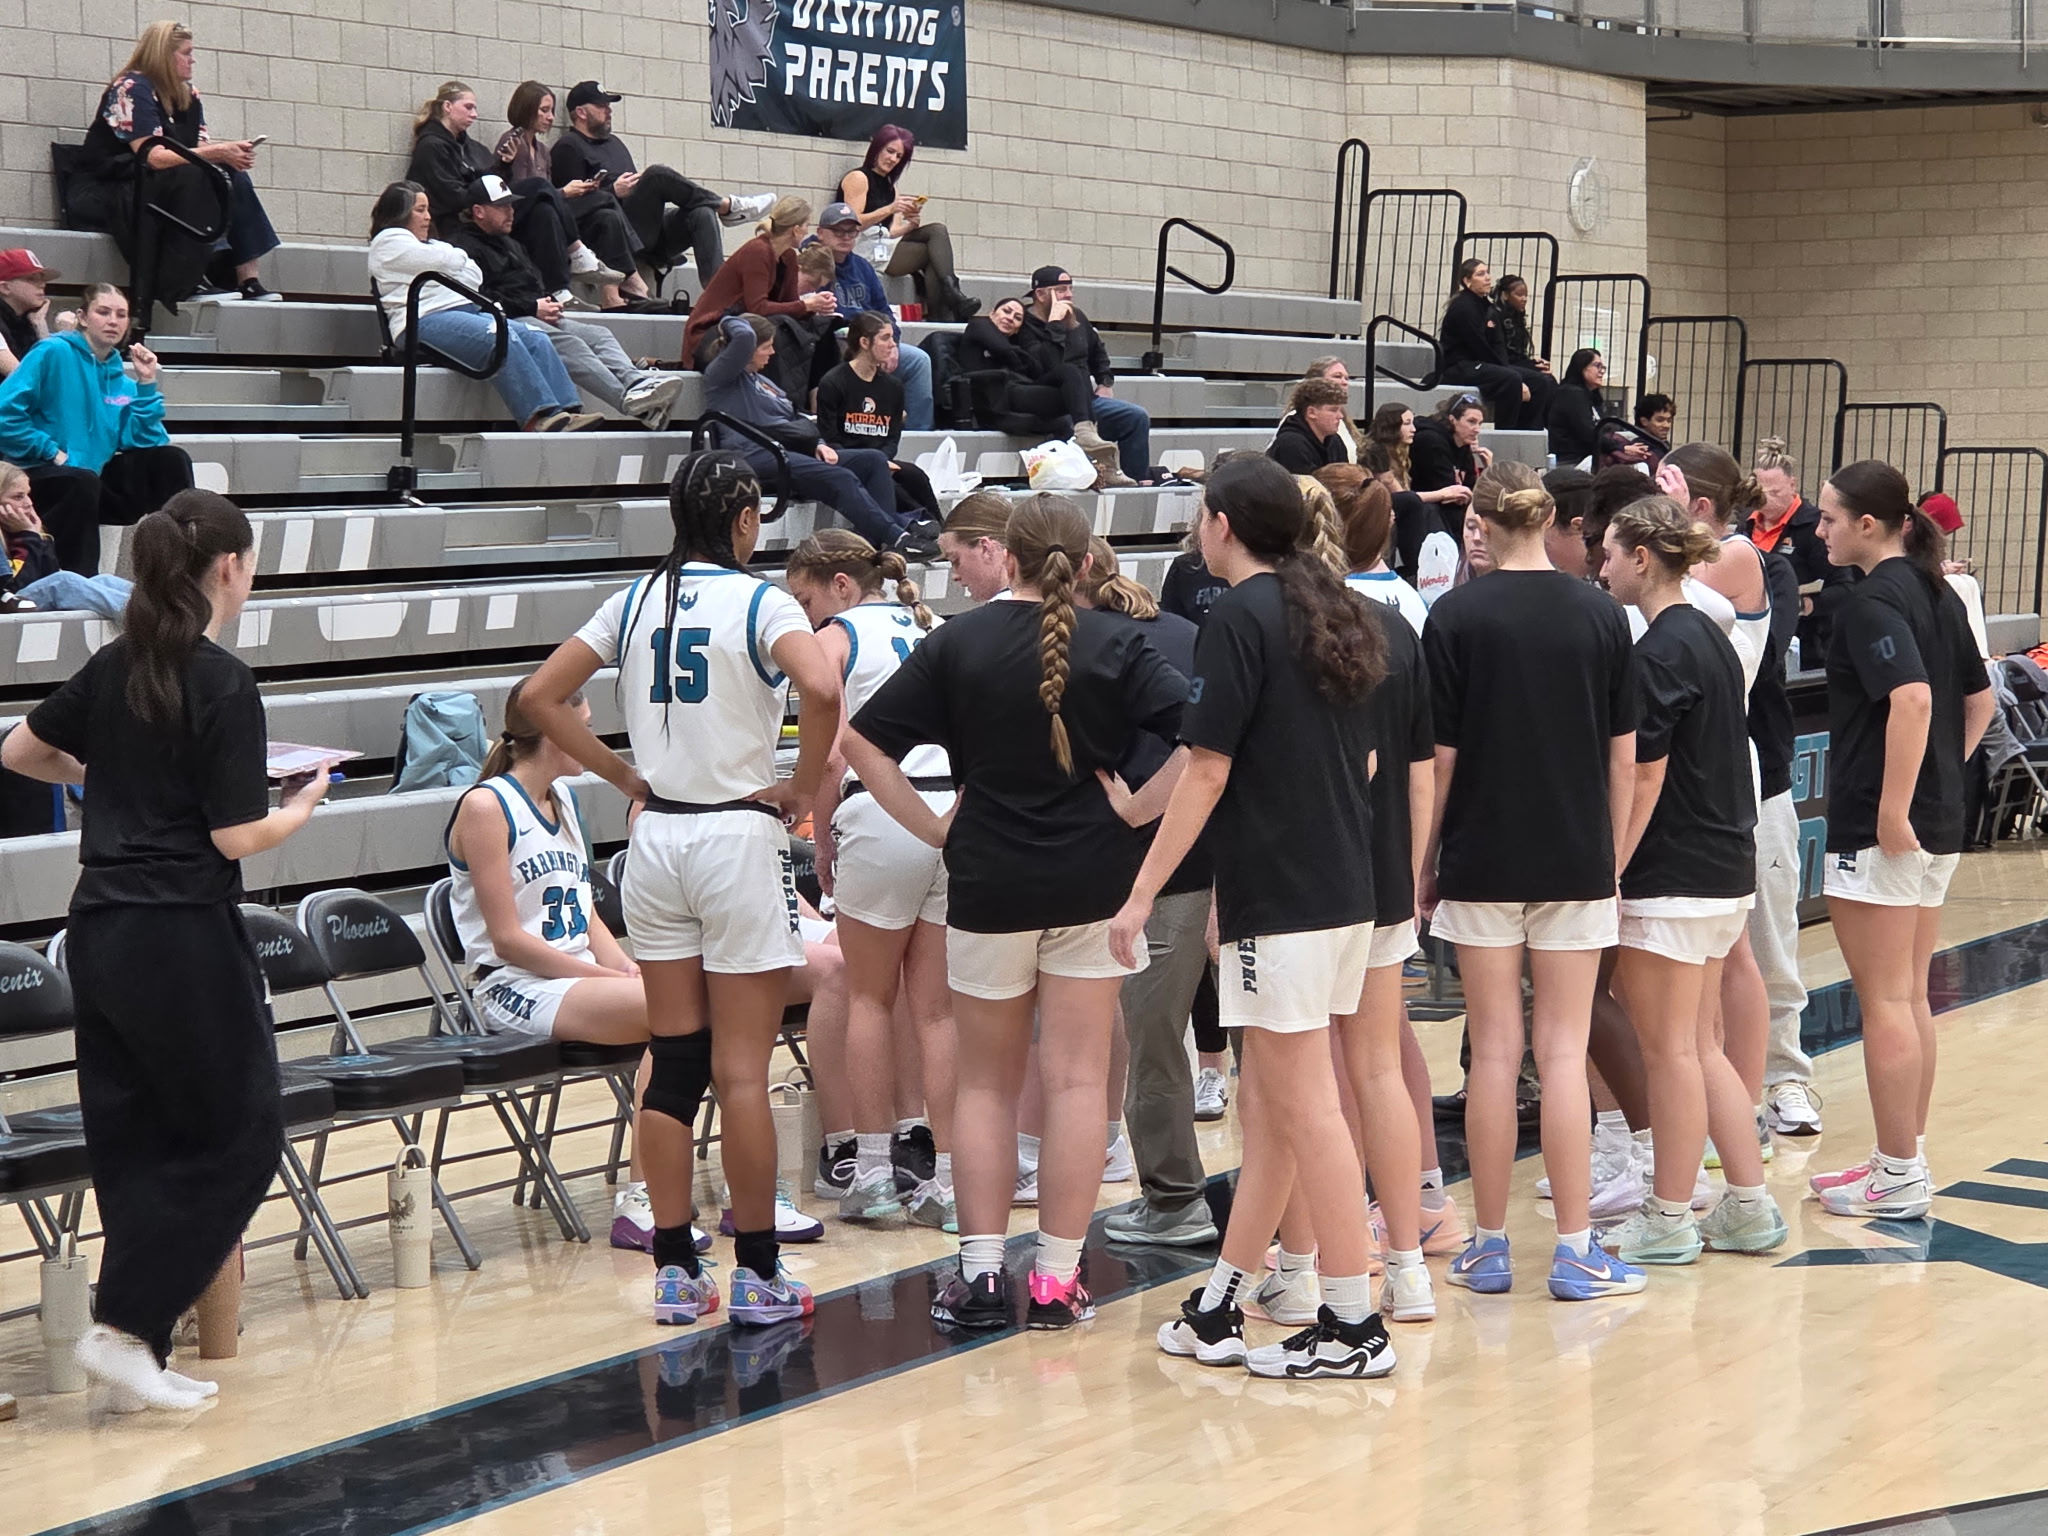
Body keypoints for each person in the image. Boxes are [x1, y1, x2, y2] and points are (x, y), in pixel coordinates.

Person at [1, 489, 330, 1409]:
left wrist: (94, 772)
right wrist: (298, 807)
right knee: (243, 1132)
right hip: (183, 932)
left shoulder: (115, 667)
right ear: (229, 567)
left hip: (99, 932)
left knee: (136, 1138)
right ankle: (125, 1328)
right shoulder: (224, 679)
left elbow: (19, 749)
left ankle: (129, 1344)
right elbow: (235, 837)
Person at [842, 495, 1188, 1332]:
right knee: (1074, 1080)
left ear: (1011, 556)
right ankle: (1059, 1280)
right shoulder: (1121, 639)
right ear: (1087, 559)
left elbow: (860, 742)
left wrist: (929, 824)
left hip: (989, 881)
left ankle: (984, 1275)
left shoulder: (957, 640)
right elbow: (1211, 736)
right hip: (1091, 882)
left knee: (986, 1086)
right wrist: (1140, 810)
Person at [521, 450, 841, 1327]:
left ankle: (671, 1268)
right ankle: (759, 1275)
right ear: (745, 521)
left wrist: (624, 779)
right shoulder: (763, 600)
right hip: (737, 832)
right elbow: (820, 684)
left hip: (655, 839)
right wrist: (805, 787)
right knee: (743, 1072)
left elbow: (537, 696)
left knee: (673, 1068)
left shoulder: (633, 600)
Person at [1113, 457, 1413, 1379]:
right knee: (1280, 1107)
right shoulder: (1333, 606)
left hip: (1280, 895)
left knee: (1306, 1105)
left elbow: (1205, 772)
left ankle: (1353, 1322)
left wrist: (1139, 895)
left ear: (1222, 525)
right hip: (1347, 889)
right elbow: (1364, 768)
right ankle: (1221, 1300)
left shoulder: (1238, 617)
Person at [1420, 481, 1647, 1301]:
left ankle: (1487, 1245)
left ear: (1478, 523)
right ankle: (1579, 1249)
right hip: (1576, 859)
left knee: (1493, 1055)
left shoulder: (1453, 617)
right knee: (1560, 1053)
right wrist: (1612, 860)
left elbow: (1438, 763)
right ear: (1551, 521)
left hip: (1481, 859)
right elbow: (1625, 757)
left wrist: (1422, 862)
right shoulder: (1601, 615)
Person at [1596, 496, 1790, 1265]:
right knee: (1701, 1047)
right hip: (1721, 865)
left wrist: (1609, 869)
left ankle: (1670, 1213)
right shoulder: (1708, 636)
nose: (1601, 565)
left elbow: (1645, 775)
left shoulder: (1663, 650)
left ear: (1642, 556)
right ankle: (1748, 1203)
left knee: (1671, 1048)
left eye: (1609, 551)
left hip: (1673, 873)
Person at [1809, 461, 1994, 1222]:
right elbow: (1981, 697)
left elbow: (1915, 698)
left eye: (1827, 518)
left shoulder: (1873, 600)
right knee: (1908, 995)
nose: (1817, 531)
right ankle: (1902, 1157)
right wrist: (1941, 778)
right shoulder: (1938, 591)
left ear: (1867, 525)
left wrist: (1893, 809)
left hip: (1886, 826)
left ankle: (1899, 1173)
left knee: (1885, 1000)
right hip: (1941, 818)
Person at [444, 679, 662, 1247]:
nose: (592, 741)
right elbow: (510, 941)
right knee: (675, 1013)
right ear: (552, 733)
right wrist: (605, 977)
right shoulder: (487, 805)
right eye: (584, 730)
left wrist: (627, 967)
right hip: (512, 986)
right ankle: (642, 1201)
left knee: (685, 1009)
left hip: (572, 979)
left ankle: (653, 1189)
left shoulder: (563, 800)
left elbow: (585, 910)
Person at [784, 531, 958, 1229]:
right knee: (939, 1011)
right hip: (950, 808)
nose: (803, 613)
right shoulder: (936, 627)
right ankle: (945, 1181)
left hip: (880, 809)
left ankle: (875, 1172)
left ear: (842, 586)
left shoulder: (834, 639)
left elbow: (826, 761)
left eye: (806, 598)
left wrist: (822, 838)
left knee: (868, 998)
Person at [1061, 537, 1218, 1249]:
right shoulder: (1189, 630)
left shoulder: (1091, 647)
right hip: (1231, 856)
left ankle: (1176, 1201)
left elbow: (1193, 751)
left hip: (1157, 868)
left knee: (1155, 1039)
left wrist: (1138, 810)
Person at [67, 22, 280, 306]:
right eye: (186, 52)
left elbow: (200, 147)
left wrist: (230, 152)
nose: (193, 59)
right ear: (164, 56)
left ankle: (248, 279)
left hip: (163, 181)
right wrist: (218, 152)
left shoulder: (188, 95)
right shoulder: (130, 88)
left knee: (231, 173)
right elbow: (150, 155)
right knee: (197, 174)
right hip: (113, 185)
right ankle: (186, 281)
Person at [447, 176, 687, 428]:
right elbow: (477, 298)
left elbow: (531, 280)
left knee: (599, 334)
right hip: (506, 319)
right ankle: (629, 402)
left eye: (511, 205)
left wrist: (544, 302)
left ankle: (636, 383)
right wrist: (531, 307)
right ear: (478, 211)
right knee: (572, 344)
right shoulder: (462, 248)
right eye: (502, 206)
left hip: (535, 311)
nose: (511, 212)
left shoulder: (509, 242)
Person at [366, 182, 599, 435]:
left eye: (428, 209)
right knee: (502, 336)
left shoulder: (431, 245)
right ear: (400, 213)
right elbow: (450, 260)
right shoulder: (387, 242)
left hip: (465, 312)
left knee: (536, 337)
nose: (428, 217)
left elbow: (474, 274)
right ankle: (537, 417)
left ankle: (568, 412)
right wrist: (455, 260)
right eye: (420, 210)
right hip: (423, 321)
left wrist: (453, 262)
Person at [700, 314, 934, 558]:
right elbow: (745, 335)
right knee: (841, 476)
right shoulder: (722, 377)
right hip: (756, 454)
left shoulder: (762, 380)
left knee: (873, 460)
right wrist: (728, 320)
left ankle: (877, 544)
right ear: (747, 351)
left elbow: (796, 418)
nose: (772, 353)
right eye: (767, 346)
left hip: (791, 449)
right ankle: (898, 537)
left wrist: (819, 443)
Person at [0, 283, 194, 576]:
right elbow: (5, 413)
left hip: (90, 480)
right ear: (83, 317)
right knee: (80, 481)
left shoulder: (121, 382)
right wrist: (50, 451)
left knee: (170, 459)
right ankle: (76, 579)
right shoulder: (52, 352)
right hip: (40, 476)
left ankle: (180, 569)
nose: (113, 321)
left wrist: (145, 384)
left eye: (121, 314)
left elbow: (144, 440)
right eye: (103, 312)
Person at [406, 81, 616, 310]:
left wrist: (503, 165)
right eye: (468, 107)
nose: (475, 115)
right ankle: (577, 251)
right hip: (461, 221)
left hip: (484, 211)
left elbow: (487, 183)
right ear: (447, 106)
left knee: (544, 211)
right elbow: (455, 197)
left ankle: (559, 290)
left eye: (475, 108)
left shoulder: (471, 147)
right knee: (539, 187)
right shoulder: (432, 147)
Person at [549, 81, 773, 288]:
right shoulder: (568, 148)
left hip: (643, 230)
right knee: (656, 175)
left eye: (609, 105)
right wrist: (613, 192)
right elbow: (572, 209)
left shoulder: (615, 143)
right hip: (612, 232)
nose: (609, 111)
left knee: (702, 213)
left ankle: (717, 292)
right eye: (601, 106)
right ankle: (727, 206)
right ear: (581, 112)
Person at [494, 81, 643, 304]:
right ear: (526, 109)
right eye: (544, 110)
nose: (551, 117)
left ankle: (596, 279)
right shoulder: (512, 141)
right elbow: (522, 192)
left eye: (552, 111)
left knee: (603, 208)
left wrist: (571, 192)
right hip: (519, 217)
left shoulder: (543, 151)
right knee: (600, 197)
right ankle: (584, 255)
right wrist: (563, 192)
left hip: (549, 215)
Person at [808, 202, 935, 431]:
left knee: (918, 360)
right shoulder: (811, 260)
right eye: (838, 231)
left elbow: (883, 311)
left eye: (851, 231)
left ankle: (917, 433)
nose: (846, 237)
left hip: (873, 338)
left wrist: (892, 343)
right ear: (821, 233)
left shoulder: (863, 267)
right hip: (835, 340)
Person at [834, 125, 979, 322]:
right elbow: (853, 223)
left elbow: (891, 231)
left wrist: (910, 225)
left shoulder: (891, 188)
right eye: (890, 151)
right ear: (877, 148)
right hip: (861, 247)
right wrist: (890, 209)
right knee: (931, 252)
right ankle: (948, 306)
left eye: (899, 156)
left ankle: (950, 299)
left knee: (937, 231)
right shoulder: (858, 178)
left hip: (883, 244)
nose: (893, 159)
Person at [1023, 267, 1151, 483]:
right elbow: (1047, 363)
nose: (1069, 295)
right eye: (1062, 289)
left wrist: (1105, 381)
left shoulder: (1077, 317)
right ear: (1041, 294)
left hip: (1085, 401)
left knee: (1135, 417)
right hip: (1052, 401)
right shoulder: (1025, 324)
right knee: (1064, 420)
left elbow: (1097, 352)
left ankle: (1137, 481)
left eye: (1071, 289)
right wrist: (1054, 324)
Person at [815, 312, 943, 528]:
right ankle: (921, 526)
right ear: (864, 342)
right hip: (846, 461)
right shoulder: (834, 382)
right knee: (885, 481)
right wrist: (872, 463)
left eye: (892, 338)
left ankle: (941, 528)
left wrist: (883, 459)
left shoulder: (893, 387)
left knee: (914, 474)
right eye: (885, 338)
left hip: (880, 459)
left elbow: (893, 436)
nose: (893, 345)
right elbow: (830, 437)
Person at [679, 198, 835, 369]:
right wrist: (805, 305)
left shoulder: (788, 257)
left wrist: (816, 307)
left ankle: (815, 392)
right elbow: (757, 307)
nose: (807, 232)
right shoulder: (757, 251)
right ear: (796, 230)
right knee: (776, 332)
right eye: (806, 226)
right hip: (711, 333)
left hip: (745, 326)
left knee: (822, 331)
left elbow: (790, 306)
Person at [1747, 436, 1854, 669]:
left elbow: (1845, 587)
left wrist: (1803, 605)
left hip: (1805, 641)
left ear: (1792, 485)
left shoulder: (1815, 527)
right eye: (1760, 494)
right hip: (1754, 633)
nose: (1767, 501)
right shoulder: (1746, 523)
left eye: (1775, 493)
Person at [0, 461, 133, 616]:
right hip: (10, 604)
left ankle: (159, 609)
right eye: (18, 497)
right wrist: (30, 537)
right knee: (64, 583)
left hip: (24, 598)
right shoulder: (24, 535)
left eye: (28, 495)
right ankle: (148, 622)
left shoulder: (20, 531)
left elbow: (49, 573)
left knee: (104, 580)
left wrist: (39, 538)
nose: (29, 503)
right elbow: (13, 587)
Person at [1438, 259, 1551, 430]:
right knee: (1511, 379)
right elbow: (1480, 347)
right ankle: (1506, 432)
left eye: (1488, 272)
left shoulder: (1488, 307)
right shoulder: (1463, 307)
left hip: (1481, 365)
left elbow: (1498, 346)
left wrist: (1524, 366)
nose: (1487, 278)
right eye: (1481, 274)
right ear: (1467, 281)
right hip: (1460, 366)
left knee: (1540, 380)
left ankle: (1528, 432)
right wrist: (1511, 373)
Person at [1410, 394, 1493, 536]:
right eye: (1471, 422)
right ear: (1453, 419)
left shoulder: (1463, 444)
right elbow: (1449, 495)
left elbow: (1471, 491)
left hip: (1447, 514)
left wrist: (1488, 469)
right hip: (1424, 512)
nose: (1477, 429)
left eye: (1480, 424)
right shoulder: (1430, 441)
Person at [935, 492, 1016, 603]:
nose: (954, 576)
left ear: (985, 549)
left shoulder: (983, 619)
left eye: (955, 560)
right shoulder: (1045, 600)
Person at [1268, 377, 1353, 474]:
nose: (1340, 416)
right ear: (1311, 412)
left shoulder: (1335, 441)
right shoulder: (1290, 444)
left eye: (1340, 410)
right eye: (1333, 410)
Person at [1548, 348, 1609, 468]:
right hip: (1572, 461)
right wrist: (1621, 447)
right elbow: (1588, 434)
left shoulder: (1592, 396)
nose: (1601, 371)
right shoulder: (1571, 393)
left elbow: (1605, 430)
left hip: (1589, 458)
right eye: (1597, 366)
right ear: (1582, 367)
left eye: (1603, 367)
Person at [0, 249, 55, 376]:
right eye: (32, 279)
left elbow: (52, 374)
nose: (42, 285)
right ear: (5, 288)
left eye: (42, 279)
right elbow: (25, 380)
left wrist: (41, 328)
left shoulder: (28, 322)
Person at [1492, 275, 1550, 379]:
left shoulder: (1518, 318)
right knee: (1542, 380)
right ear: (1505, 295)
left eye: (1526, 295)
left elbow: (1520, 353)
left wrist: (1534, 362)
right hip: (1503, 364)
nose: (1524, 299)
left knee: (1547, 374)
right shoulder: (1496, 316)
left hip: (1517, 362)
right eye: (1519, 295)